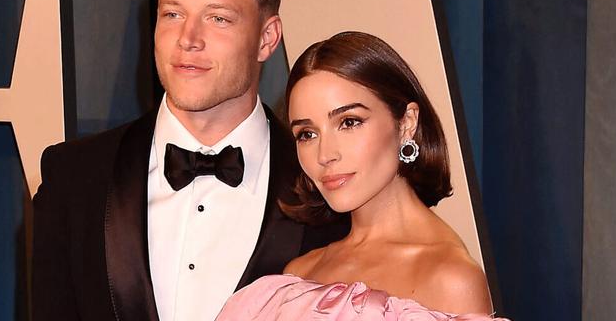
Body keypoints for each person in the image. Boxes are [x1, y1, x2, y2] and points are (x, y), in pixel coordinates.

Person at [32, 0, 347, 321]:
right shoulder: (73, 178)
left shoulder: (325, 187)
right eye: (173, 14)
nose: (188, 39)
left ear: (267, 39)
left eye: (217, 18)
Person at [216, 31, 507, 320]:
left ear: (407, 123)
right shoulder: (298, 276)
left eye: (349, 122)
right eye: (307, 134)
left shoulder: (451, 280)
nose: (325, 154)